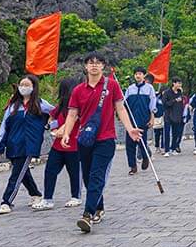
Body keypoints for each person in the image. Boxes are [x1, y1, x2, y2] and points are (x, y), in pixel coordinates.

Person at [51, 53, 143, 233]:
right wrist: (67, 133)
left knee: (96, 175)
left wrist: (130, 128)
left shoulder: (112, 86)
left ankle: (87, 214)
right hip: (85, 139)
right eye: (90, 63)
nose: (94, 66)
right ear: (85, 67)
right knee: (87, 177)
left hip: (106, 139)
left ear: (103, 66)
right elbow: (72, 114)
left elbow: (120, 108)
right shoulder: (78, 90)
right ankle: (99, 207)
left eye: (98, 63)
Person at [0, 74, 54, 214]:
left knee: (16, 174)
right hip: (13, 143)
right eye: (22, 85)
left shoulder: (40, 104)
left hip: (29, 144)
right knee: (22, 171)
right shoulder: (13, 105)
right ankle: (35, 194)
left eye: (27, 85)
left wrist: (50, 125)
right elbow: (5, 124)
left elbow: (56, 112)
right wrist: (0, 143)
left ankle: (6, 200)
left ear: (34, 87)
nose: (24, 88)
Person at [34, 78, 82, 210]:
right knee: (50, 171)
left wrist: (62, 130)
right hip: (57, 146)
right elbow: (51, 117)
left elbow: (73, 119)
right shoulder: (60, 107)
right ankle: (47, 199)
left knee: (74, 172)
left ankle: (76, 196)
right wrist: (53, 127)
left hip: (74, 145)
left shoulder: (79, 107)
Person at [123, 68, 157, 175]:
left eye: (140, 74)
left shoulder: (149, 88)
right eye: (136, 74)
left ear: (144, 76)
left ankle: (145, 157)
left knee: (142, 141)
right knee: (129, 144)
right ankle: (132, 166)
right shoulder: (130, 89)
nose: (138, 76)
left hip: (143, 118)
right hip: (131, 120)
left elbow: (152, 104)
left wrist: (152, 118)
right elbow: (124, 104)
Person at [160, 79, 185, 156]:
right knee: (167, 133)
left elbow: (181, 104)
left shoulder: (180, 93)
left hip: (177, 115)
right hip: (168, 115)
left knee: (176, 133)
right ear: (174, 83)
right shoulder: (167, 92)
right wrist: (174, 101)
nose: (180, 85)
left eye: (180, 83)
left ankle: (173, 148)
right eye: (178, 83)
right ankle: (166, 150)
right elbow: (165, 103)